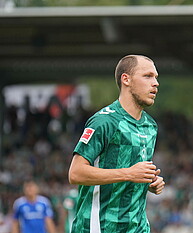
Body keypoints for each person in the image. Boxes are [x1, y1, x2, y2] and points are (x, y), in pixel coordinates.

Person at [68, 54, 165, 233]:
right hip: (99, 226)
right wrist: (129, 174)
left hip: (137, 227)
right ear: (126, 79)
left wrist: (149, 181)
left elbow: (132, 172)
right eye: (147, 76)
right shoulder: (104, 122)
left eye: (156, 78)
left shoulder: (150, 125)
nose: (155, 83)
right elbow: (76, 173)